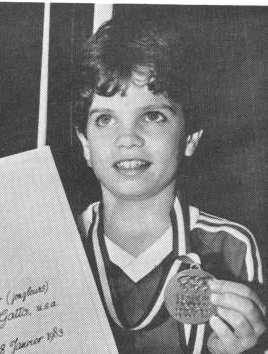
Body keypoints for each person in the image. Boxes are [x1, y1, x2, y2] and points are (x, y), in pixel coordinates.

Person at [74, 18, 266, 354]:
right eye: (105, 119)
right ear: (85, 144)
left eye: (152, 116)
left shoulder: (231, 247)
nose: (128, 138)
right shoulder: (62, 243)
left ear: (190, 138)